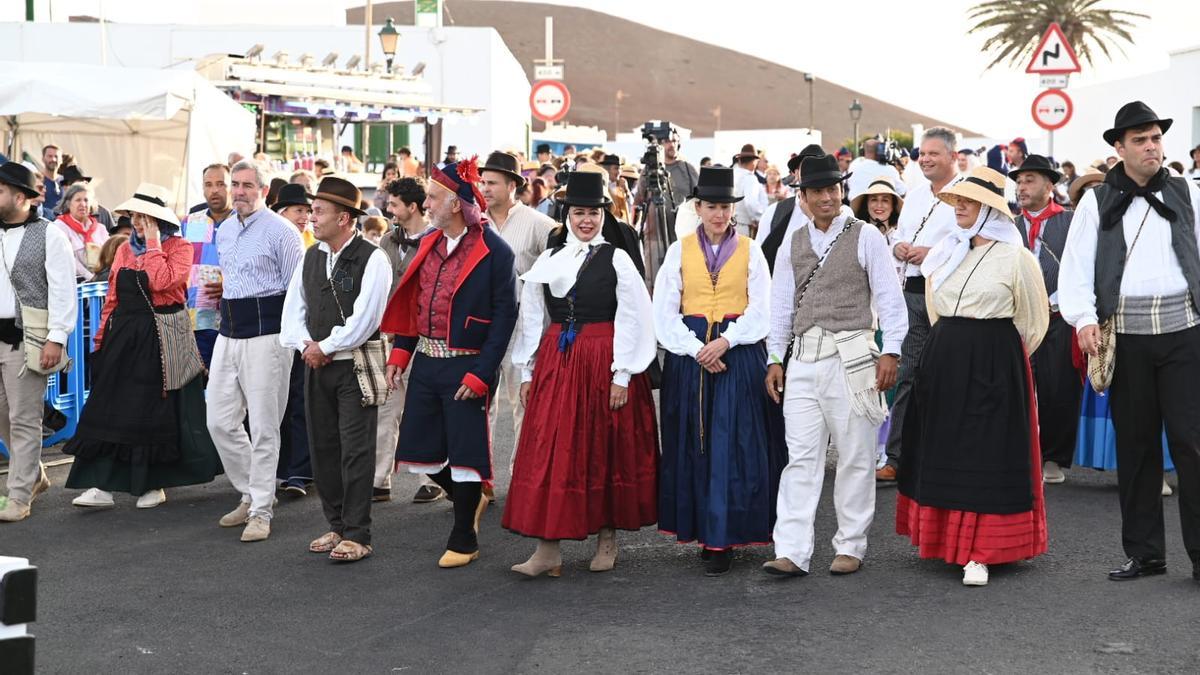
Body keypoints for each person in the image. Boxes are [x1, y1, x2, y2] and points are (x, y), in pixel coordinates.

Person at [1058, 101, 1200, 585]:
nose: (1151, 146)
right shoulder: (1097, 200)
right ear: (1119, 148)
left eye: (1156, 138)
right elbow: (1075, 266)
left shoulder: (1186, 190)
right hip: (1127, 337)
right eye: (1140, 140)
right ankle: (1146, 554)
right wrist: (1081, 319)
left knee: (1192, 444)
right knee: (1136, 448)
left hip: (1185, 331)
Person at [896, 166, 1049, 586]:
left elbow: (1033, 323)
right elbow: (934, 308)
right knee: (946, 446)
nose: (958, 207)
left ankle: (982, 551)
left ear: (989, 210)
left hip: (994, 363)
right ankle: (948, 542)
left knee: (985, 452)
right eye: (957, 200)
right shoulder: (948, 250)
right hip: (945, 359)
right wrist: (950, 349)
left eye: (968, 201)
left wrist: (998, 359)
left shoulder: (1016, 257)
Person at [502, 171, 659, 577]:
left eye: (593, 212)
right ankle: (548, 550)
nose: (585, 220)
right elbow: (533, 317)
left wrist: (622, 373)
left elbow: (634, 316)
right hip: (558, 359)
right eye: (578, 213)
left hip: (604, 358)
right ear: (566, 215)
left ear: (604, 215)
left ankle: (607, 538)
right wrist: (527, 369)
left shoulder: (617, 257)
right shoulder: (550, 258)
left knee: (603, 447)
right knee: (552, 449)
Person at [762, 154, 907, 577]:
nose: (827, 197)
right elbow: (781, 306)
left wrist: (891, 351)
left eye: (833, 189)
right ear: (803, 197)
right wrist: (775, 356)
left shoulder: (865, 237)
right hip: (804, 357)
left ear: (841, 192)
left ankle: (851, 545)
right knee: (800, 457)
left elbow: (889, 298)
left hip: (854, 356)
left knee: (856, 455)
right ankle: (792, 550)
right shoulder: (794, 242)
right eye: (818, 191)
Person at [379, 157, 518, 568]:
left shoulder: (495, 251)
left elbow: (505, 317)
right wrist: (401, 353)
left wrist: (482, 373)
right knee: (419, 451)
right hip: (426, 361)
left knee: (465, 452)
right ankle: (469, 498)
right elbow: (415, 303)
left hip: (467, 366)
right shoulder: (428, 243)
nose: (427, 204)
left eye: (435, 197)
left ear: (457, 204)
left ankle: (465, 535)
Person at [653, 165, 782, 576]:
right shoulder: (678, 251)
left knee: (735, 445)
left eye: (725, 207)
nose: (719, 214)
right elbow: (664, 311)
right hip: (691, 358)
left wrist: (726, 340)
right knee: (696, 443)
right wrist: (696, 349)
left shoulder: (751, 250)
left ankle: (729, 533)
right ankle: (705, 533)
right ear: (697, 207)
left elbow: (762, 308)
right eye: (711, 206)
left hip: (738, 353)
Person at [64, 184, 221, 509]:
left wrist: (152, 245)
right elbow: (112, 296)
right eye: (135, 215)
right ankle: (102, 485)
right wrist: (100, 339)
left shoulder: (180, 247)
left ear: (157, 220)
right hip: (124, 335)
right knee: (109, 407)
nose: (137, 222)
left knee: (154, 410)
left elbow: (162, 281)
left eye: (144, 217)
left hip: (163, 337)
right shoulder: (123, 250)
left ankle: (153, 484)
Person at [280, 177, 392, 563]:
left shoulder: (372, 257)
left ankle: (358, 533)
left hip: (353, 367)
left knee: (355, 451)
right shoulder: (312, 256)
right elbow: (293, 310)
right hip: (317, 365)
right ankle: (338, 525)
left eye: (319, 212)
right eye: (312, 211)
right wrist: (305, 346)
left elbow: (367, 317)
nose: (311, 218)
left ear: (344, 218)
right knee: (323, 447)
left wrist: (324, 346)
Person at [207, 160, 305, 543]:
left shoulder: (283, 232)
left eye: (248, 185)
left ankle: (261, 509)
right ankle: (252, 492)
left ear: (264, 190)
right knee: (219, 420)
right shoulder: (225, 229)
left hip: (269, 333)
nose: (239, 191)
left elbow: (298, 290)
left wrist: (296, 339)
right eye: (236, 184)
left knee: (265, 426)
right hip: (228, 331)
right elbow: (233, 280)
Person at [879, 127, 963, 482]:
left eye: (934, 154)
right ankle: (897, 457)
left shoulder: (967, 195)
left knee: (950, 376)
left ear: (953, 156)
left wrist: (933, 253)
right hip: (912, 291)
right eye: (922, 154)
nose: (926, 159)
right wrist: (898, 245)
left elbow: (975, 240)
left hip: (949, 296)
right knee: (907, 373)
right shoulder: (913, 196)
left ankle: (949, 458)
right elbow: (900, 233)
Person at [0, 162, 76, 523]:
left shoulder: (50, 234)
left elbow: (64, 290)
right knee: (3, 416)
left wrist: (56, 339)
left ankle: (18, 496)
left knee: (25, 418)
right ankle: (33, 475)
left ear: (21, 196)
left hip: (27, 339)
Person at [478, 151, 555, 476]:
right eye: (482, 182)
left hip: (525, 326)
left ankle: (522, 477)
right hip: (483, 326)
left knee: (524, 402)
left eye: (492, 182)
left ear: (512, 185)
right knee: (481, 404)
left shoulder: (540, 224)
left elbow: (558, 269)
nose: (485, 188)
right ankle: (482, 478)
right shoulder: (475, 224)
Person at [1010, 154, 1083, 485]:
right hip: (1021, 316)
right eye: (1020, 181)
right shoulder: (1010, 226)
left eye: (1030, 180)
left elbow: (1082, 265)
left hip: (1059, 314)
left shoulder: (1070, 221)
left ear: (1049, 185)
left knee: (1058, 386)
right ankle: (1021, 454)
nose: (1022, 186)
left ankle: (1053, 457)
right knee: (1020, 385)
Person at [377, 177, 444, 504]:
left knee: (423, 408)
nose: (388, 209)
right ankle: (379, 478)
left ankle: (430, 478)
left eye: (393, 204)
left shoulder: (437, 240)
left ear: (412, 206)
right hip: (391, 335)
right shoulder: (388, 241)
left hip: (425, 336)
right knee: (386, 406)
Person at [757, 145, 847, 274]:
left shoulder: (844, 214)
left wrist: (813, 217)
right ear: (794, 173)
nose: (811, 171)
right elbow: (759, 261)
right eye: (805, 167)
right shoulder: (774, 212)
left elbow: (842, 256)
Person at [184, 163, 234, 368]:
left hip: (233, 322)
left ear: (232, 187)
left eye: (221, 184)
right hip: (195, 321)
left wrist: (229, 286)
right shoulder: (189, 222)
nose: (214, 190)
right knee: (199, 389)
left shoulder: (244, 222)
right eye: (209, 184)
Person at [634, 131, 699, 288]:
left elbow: (698, 199)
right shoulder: (648, 171)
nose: (672, 145)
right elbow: (639, 200)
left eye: (675, 141)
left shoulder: (688, 169)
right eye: (668, 141)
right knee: (656, 282)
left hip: (683, 235)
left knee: (682, 281)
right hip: (655, 235)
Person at [54, 183, 109, 280]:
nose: (83, 204)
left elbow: (110, 255)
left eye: (86, 200)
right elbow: (67, 259)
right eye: (78, 200)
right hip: (75, 282)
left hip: (101, 282)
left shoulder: (100, 228)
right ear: (68, 203)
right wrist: (90, 277)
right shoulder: (59, 227)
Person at [732, 145, 768, 237]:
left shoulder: (731, 174)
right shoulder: (749, 178)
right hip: (743, 225)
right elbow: (751, 203)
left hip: (730, 223)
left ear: (739, 160)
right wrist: (758, 218)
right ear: (754, 162)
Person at [272, 183, 316, 248]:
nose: (306, 217)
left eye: (308, 211)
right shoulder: (269, 239)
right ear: (282, 213)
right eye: (299, 210)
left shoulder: (314, 240)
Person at [40, 144, 62, 212]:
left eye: (56, 156)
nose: (53, 159)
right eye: (50, 156)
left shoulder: (65, 181)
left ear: (61, 160)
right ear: (43, 159)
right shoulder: (38, 181)